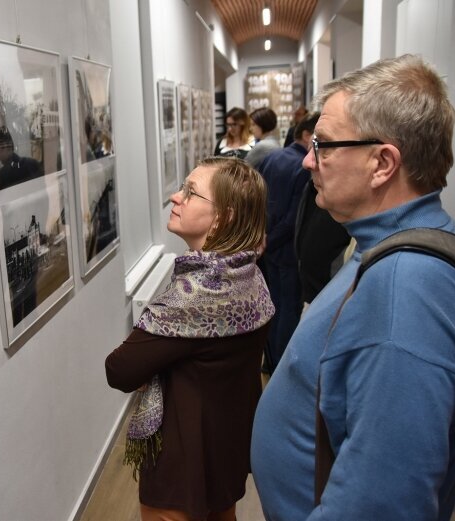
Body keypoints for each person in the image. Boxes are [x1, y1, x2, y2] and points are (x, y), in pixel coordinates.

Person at [250, 54, 455, 520]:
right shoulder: (391, 253)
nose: (307, 162)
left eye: (324, 146)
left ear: (382, 163)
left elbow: (382, 506)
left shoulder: (407, 297)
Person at [106, 157, 275, 521]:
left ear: (223, 217)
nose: (175, 196)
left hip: (182, 466)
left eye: (190, 192)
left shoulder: (195, 296)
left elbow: (119, 370)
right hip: (226, 450)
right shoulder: (248, 273)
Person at [256, 112, 320, 373]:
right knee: (288, 309)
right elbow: (295, 218)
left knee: (273, 306)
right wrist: (271, 240)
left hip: (267, 246)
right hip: (286, 250)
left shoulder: (272, 157)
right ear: (306, 135)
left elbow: (258, 199)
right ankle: (282, 368)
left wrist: (262, 238)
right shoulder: (301, 167)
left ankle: (269, 362)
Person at [293, 178, 351, 311]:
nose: (307, 162)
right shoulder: (313, 186)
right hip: (311, 292)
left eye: (325, 155)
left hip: (330, 298)